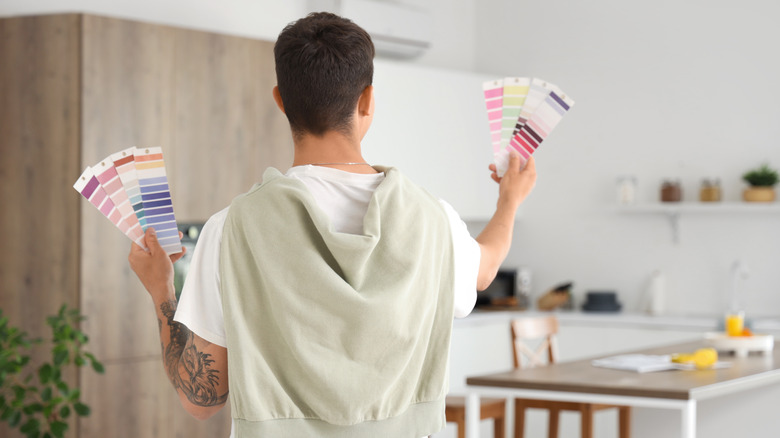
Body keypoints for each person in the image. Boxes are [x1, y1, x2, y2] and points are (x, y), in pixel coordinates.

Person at [128, 11, 536, 438]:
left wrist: (162, 289)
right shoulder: (433, 220)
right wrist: (508, 201)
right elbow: (486, 267)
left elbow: (200, 399)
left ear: (281, 101)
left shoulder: (231, 229)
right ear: (367, 101)